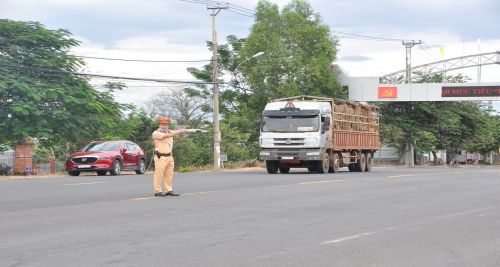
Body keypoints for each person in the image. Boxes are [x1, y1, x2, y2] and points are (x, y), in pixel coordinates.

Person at [152, 116, 200, 197]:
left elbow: (174, 132)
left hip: (169, 156)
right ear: (159, 124)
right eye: (162, 124)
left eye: (166, 124)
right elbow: (168, 135)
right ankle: (158, 191)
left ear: (168, 125)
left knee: (169, 175)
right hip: (161, 157)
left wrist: (185, 130)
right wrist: (181, 131)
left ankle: (168, 190)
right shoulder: (156, 133)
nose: (164, 126)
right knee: (159, 174)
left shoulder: (170, 131)